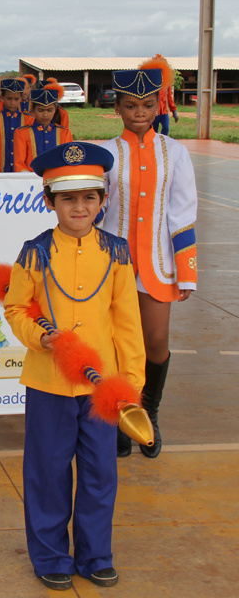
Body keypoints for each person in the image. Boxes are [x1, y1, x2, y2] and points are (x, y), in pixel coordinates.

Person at [4, 142, 145, 591]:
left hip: (102, 387)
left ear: (103, 200)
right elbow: (16, 309)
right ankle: (50, 556)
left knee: (101, 472)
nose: (79, 206)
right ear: (50, 201)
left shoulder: (118, 253)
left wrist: (130, 386)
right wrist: (39, 336)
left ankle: (95, 554)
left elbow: (127, 325)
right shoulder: (34, 252)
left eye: (89, 197)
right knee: (47, 472)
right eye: (68, 198)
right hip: (49, 383)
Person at [101, 56, 197, 459]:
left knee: (155, 343)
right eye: (130, 105)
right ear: (117, 107)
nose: (139, 114)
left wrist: (187, 273)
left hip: (158, 266)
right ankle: (120, 417)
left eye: (147, 106)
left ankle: (148, 413)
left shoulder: (175, 153)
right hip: (112, 266)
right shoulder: (103, 152)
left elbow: (183, 212)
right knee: (116, 345)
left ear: (159, 105)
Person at [0, 78, 34, 173]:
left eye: (16, 99)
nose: (12, 102)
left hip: (22, 172)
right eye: (9, 99)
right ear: (2, 97)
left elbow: (30, 148)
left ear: (21, 98)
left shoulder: (29, 119)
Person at [13, 87, 73, 172]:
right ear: (33, 110)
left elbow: (68, 161)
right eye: (41, 110)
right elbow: (19, 164)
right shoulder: (22, 133)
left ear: (55, 110)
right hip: (30, 180)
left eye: (49, 110)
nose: (45, 115)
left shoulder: (64, 132)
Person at [150, 55, 178, 135]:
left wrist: (174, 111)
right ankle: (154, 145)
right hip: (154, 111)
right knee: (153, 131)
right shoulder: (151, 81)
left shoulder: (167, 82)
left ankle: (162, 142)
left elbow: (169, 97)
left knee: (166, 128)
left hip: (164, 111)